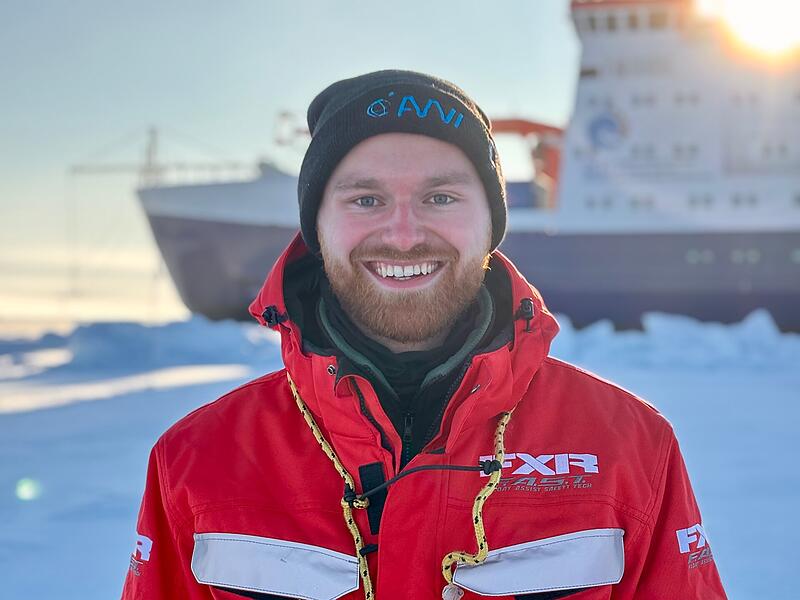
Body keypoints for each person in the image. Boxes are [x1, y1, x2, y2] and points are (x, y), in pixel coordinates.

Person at [121, 70, 727, 600]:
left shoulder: (630, 449)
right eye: (365, 198)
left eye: (440, 197)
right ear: (316, 227)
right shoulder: (195, 462)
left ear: (491, 223)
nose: (405, 235)